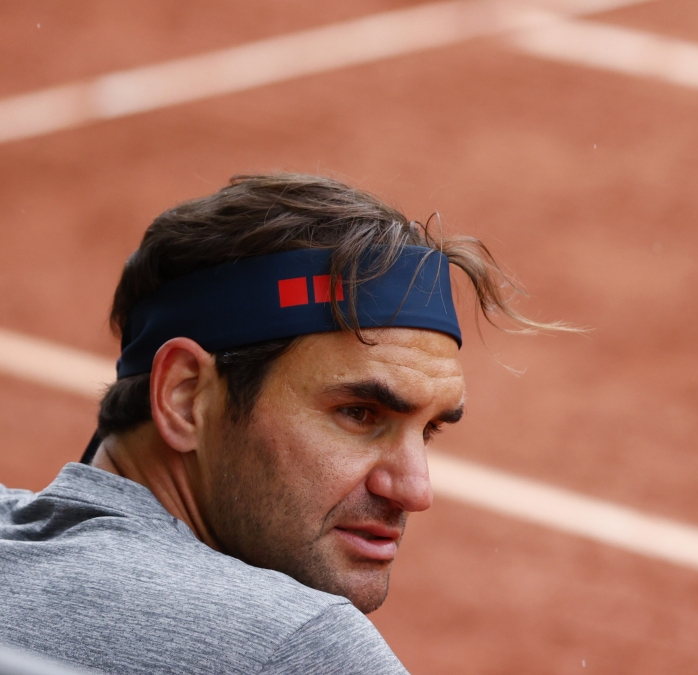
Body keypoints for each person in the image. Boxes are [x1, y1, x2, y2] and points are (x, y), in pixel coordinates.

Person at [0, 174, 562, 674]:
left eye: (429, 430)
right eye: (360, 414)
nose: (416, 490)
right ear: (184, 396)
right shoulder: (295, 648)